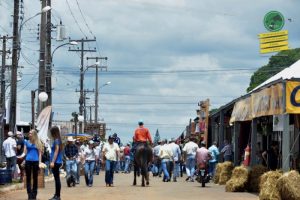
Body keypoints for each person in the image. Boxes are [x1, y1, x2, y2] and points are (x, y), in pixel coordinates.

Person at [18, 129, 43, 200]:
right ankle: (29, 194)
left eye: (31, 133)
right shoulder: (26, 142)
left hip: (36, 162)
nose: (29, 134)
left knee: (35, 179)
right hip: (28, 161)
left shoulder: (38, 142)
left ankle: (34, 194)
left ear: (34, 134)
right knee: (28, 178)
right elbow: (24, 152)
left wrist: (40, 163)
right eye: (29, 133)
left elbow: (40, 154)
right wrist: (21, 158)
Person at [49, 126, 63, 200]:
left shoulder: (56, 140)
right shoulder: (58, 140)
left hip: (56, 162)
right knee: (57, 179)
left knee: (57, 179)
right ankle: (57, 195)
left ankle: (57, 196)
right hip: (58, 161)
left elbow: (56, 151)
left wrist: (53, 162)